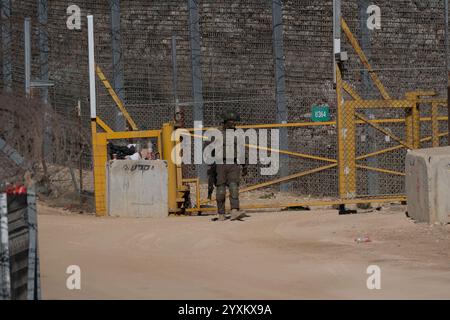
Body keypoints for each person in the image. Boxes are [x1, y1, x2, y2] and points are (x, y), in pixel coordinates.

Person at [213, 110, 247, 221]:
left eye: (234, 121)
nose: (233, 123)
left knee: (233, 187)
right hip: (220, 163)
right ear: (225, 122)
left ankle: (234, 211)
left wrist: (244, 165)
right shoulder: (217, 133)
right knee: (221, 190)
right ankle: (221, 214)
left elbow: (241, 150)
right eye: (231, 121)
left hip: (233, 163)